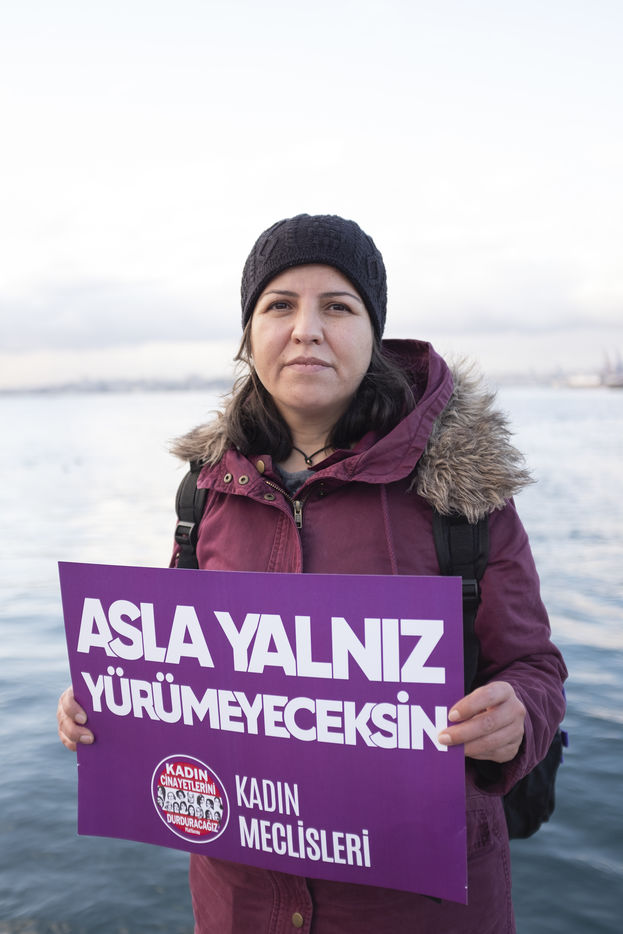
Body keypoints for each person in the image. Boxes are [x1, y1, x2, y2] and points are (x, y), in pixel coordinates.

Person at [57, 213, 567, 933]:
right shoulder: (203, 491)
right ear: (249, 334)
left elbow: (535, 666)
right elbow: (173, 665)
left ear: (373, 332)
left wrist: (518, 716)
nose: (306, 330)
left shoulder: (463, 496)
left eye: (337, 306)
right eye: (279, 305)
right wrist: (104, 704)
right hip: (240, 900)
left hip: (419, 905)